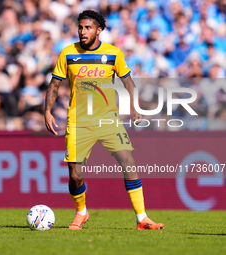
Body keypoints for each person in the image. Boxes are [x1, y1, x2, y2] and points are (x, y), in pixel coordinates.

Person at [44, 10, 164, 230]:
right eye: (80, 27)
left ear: (99, 30)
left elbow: (128, 82)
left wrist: (134, 106)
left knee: (128, 162)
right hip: (79, 122)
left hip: (108, 120)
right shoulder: (68, 53)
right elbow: (54, 84)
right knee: (75, 174)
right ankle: (81, 212)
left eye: (88, 27)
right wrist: (47, 111)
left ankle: (142, 218)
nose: (82, 31)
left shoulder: (113, 54)